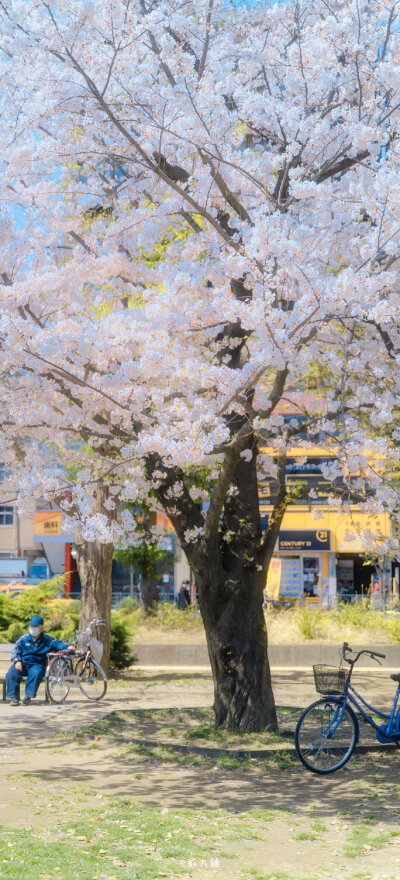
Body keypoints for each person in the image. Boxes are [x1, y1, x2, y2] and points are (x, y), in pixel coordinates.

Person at [6, 614, 75, 706]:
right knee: (12, 673)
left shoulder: (48, 640)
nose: (32, 628)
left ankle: (28, 696)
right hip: (22, 663)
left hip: (36, 664)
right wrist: (17, 661)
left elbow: (59, 644)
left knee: (37, 672)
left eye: (35, 626)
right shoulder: (23, 639)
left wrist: (68, 647)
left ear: (41, 628)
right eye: (31, 626)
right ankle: (14, 698)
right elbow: (16, 652)